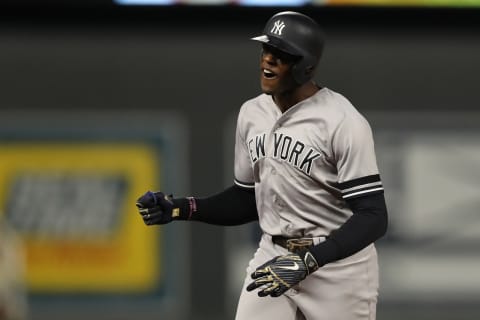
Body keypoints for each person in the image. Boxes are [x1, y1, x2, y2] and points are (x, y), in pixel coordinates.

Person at [136, 11, 388, 320]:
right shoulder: (252, 113)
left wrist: (310, 259)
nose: (268, 60)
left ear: (306, 66)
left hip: (337, 268)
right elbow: (247, 199)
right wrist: (180, 208)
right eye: (266, 49)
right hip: (274, 254)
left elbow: (374, 216)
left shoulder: (342, 121)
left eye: (281, 54)